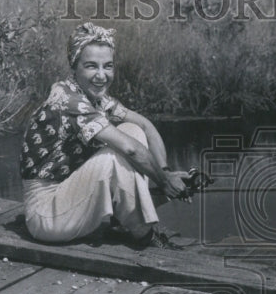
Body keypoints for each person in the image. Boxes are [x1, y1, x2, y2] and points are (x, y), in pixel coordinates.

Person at [19, 22, 190, 248]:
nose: (101, 76)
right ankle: (144, 235)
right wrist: (165, 182)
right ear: (74, 67)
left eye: (107, 66)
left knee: (132, 130)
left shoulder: (96, 98)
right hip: (45, 214)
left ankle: (124, 222)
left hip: (70, 198)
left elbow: (146, 126)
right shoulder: (69, 100)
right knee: (116, 154)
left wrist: (165, 171)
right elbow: (129, 150)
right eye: (91, 66)